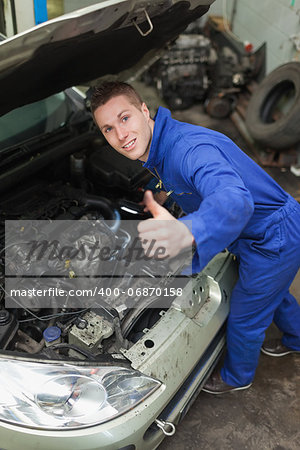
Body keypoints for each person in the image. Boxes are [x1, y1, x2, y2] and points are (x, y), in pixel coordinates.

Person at [90, 81, 300, 394]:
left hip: (273, 237)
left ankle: (236, 378)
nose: (121, 136)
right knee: (272, 292)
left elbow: (234, 201)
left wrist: (188, 229)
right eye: (108, 128)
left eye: (124, 118)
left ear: (144, 110)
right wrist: (162, 194)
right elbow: (180, 178)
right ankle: (297, 338)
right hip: (258, 233)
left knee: (245, 316)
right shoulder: (162, 143)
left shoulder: (190, 150)